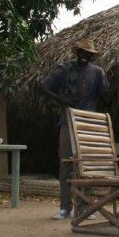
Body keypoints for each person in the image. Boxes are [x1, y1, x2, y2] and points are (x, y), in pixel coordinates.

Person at [40, 38, 108, 220]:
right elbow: (43, 86)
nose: (86, 56)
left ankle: (84, 206)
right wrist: (61, 100)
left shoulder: (98, 72)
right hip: (68, 121)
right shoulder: (64, 69)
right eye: (83, 53)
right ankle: (65, 206)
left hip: (89, 123)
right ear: (77, 52)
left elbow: (105, 94)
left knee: (85, 165)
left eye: (89, 54)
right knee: (66, 164)